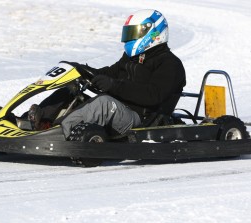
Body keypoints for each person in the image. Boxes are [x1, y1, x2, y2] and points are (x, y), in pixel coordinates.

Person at [29, 9, 186, 139]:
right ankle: (34, 121)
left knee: (104, 103)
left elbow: (153, 95)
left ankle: (54, 133)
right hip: (118, 110)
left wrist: (114, 86)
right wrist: (81, 71)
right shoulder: (132, 58)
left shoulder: (170, 64)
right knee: (71, 89)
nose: (130, 37)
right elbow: (110, 73)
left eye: (134, 32)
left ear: (153, 32)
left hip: (141, 120)